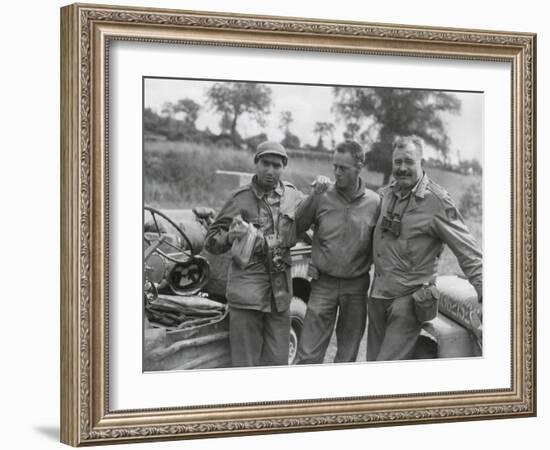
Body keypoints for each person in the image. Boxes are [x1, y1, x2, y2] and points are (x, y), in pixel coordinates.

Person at [367, 135, 483, 361]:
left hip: (408, 301)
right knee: (372, 362)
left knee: (384, 370)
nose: (402, 168)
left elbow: (467, 250)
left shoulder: (436, 201)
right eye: (397, 162)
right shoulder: (387, 194)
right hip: (378, 296)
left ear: (422, 163)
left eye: (409, 162)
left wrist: (486, 291)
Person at [205, 141, 303, 367]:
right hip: (247, 293)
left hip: (279, 294)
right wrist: (230, 236)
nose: (270, 170)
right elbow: (212, 241)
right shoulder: (239, 198)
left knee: (277, 362)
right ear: (256, 163)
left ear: (284, 166)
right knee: (245, 364)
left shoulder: (293, 196)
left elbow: (307, 224)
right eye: (265, 164)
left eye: (276, 165)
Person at [294, 141, 380, 364]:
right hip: (323, 284)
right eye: (335, 167)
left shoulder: (375, 203)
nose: (337, 173)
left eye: (344, 168)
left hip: (356, 286)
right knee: (308, 355)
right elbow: (297, 227)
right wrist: (312, 196)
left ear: (359, 166)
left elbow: (381, 245)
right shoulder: (322, 195)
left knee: (347, 356)